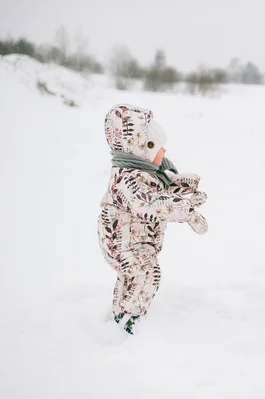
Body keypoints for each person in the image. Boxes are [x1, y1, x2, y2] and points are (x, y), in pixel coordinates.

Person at [98, 104, 208, 334]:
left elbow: (159, 192)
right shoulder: (128, 179)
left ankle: (119, 313)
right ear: (142, 147)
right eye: (159, 147)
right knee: (147, 274)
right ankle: (130, 321)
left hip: (134, 243)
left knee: (131, 278)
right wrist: (186, 210)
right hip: (124, 245)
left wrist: (182, 186)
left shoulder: (143, 172)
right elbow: (154, 204)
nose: (165, 152)